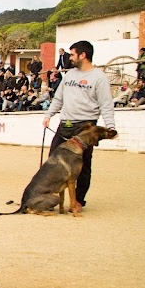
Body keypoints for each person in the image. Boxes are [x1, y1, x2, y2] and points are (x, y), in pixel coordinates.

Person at [43, 40, 116, 210]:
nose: (70, 58)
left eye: (73, 54)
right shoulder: (69, 75)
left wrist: (110, 126)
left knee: (82, 164)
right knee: (53, 159)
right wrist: (49, 115)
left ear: (83, 55)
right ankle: (50, 196)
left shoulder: (99, 77)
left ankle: (78, 200)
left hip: (86, 126)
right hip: (65, 123)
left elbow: (106, 104)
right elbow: (59, 98)